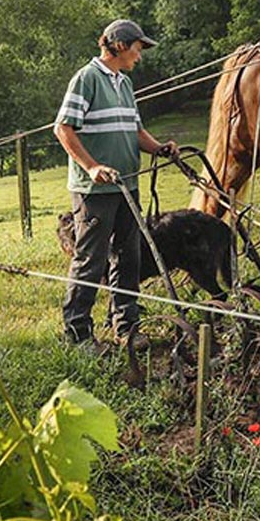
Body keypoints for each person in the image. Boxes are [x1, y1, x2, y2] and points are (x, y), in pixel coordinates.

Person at [54, 19, 176, 347]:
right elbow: (63, 129)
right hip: (94, 190)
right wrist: (92, 166)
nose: (140, 54)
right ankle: (78, 335)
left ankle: (126, 327)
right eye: (138, 47)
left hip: (126, 185)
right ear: (120, 45)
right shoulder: (87, 79)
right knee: (91, 260)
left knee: (129, 257)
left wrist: (159, 148)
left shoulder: (124, 83)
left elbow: (135, 131)